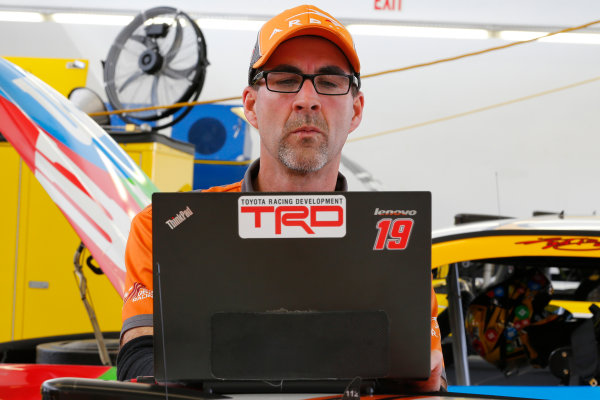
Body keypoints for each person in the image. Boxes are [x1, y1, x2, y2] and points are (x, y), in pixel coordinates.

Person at [116, 4, 446, 391]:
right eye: (286, 79)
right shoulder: (165, 230)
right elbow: (140, 363)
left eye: (329, 80)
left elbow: (425, 381)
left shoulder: (395, 239)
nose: (307, 99)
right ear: (252, 105)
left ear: (355, 110)